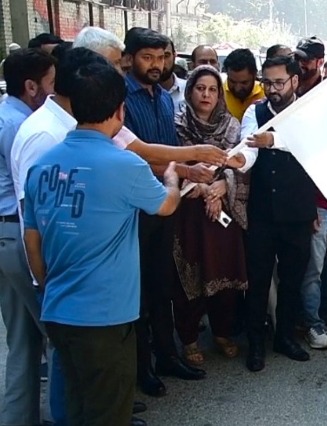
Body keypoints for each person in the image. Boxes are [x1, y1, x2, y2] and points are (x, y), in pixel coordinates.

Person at [23, 47, 181, 426]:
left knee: (74, 405)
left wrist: (49, 286)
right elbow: (165, 206)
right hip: (106, 317)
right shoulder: (125, 164)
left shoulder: (43, 164)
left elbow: (32, 239)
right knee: (109, 411)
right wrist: (173, 177)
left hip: (58, 308)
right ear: (120, 111)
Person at [123, 27, 209, 397]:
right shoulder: (121, 99)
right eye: (147, 58)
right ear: (129, 59)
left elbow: (169, 152)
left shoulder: (163, 98)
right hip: (136, 211)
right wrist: (189, 167)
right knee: (139, 295)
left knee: (163, 287)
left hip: (165, 205)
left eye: (162, 58)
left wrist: (185, 172)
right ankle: (142, 369)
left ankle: (167, 356)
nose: (156, 65)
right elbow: (137, 157)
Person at [234, 55, 316, 372]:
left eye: (278, 82)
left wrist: (274, 140)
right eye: (266, 83)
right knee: (257, 281)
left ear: (295, 81)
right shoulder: (254, 113)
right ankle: (256, 344)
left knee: (293, 280)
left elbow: (309, 142)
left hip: (298, 213)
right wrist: (239, 160)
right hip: (262, 215)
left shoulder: (308, 110)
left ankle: (285, 337)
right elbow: (248, 149)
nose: (272, 89)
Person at [169, 65, 249, 369]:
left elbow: (240, 164)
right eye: (200, 88)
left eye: (213, 89)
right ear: (190, 91)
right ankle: (188, 338)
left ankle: (222, 333)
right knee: (190, 274)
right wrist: (202, 189)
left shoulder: (231, 126)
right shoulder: (176, 122)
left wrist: (219, 186)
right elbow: (170, 164)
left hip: (222, 211)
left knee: (224, 272)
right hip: (187, 213)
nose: (206, 94)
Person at [0, 47, 53, 426]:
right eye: (52, 84)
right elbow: (31, 198)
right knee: (59, 337)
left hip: (5, 236)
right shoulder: (24, 127)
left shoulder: (8, 115)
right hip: (18, 236)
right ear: (31, 86)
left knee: (22, 342)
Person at [222, 48, 266, 121]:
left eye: (244, 83)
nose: (237, 88)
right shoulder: (218, 94)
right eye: (232, 82)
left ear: (255, 75)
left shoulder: (266, 94)